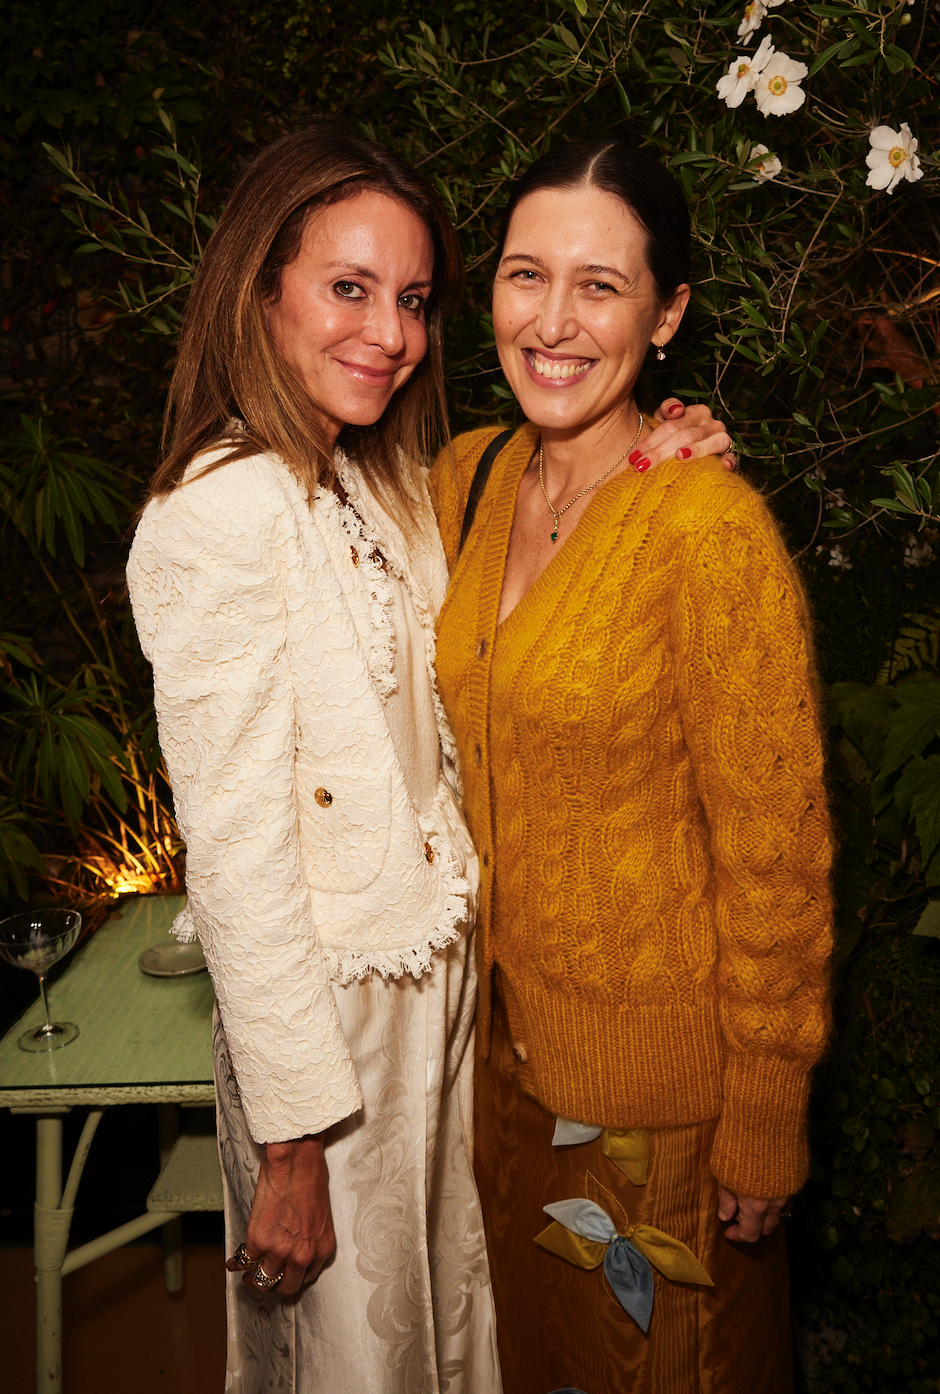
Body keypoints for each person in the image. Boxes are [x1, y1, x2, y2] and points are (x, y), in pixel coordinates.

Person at [126, 119, 729, 1394]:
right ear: (261, 290)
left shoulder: (386, 479)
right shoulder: (217, 511)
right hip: (328, 1039)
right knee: (359, 1355)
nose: (388, 332)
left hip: (442, 1019)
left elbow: (546, 537)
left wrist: (659, 450)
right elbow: (235, 855)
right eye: (347, 288)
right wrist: (293, 1143)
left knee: (450, 1336)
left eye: (409, 300)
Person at [431, 137, 833, 1394]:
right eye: (525, 275)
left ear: (665, 316)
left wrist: (764, 1112)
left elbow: (776, 854)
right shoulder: (466, 478)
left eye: (599, 286)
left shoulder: (706, 530)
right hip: (498, 1075)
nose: (552, 321)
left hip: (656, 1110)